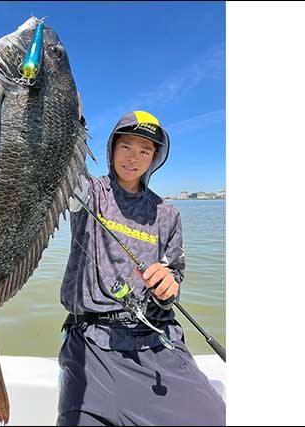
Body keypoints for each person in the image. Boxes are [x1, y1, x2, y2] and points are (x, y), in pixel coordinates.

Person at [57, 111, 226, 426]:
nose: (133, 157)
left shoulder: (168, 214)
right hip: (91, 341)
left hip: (156, 340)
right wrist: (69, 122)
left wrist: (168, 286)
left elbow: (174, 275)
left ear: (155, 158)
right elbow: (59, 166)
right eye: (126, 146)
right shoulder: (87, 192)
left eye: (144, 150)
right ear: (112, 149)